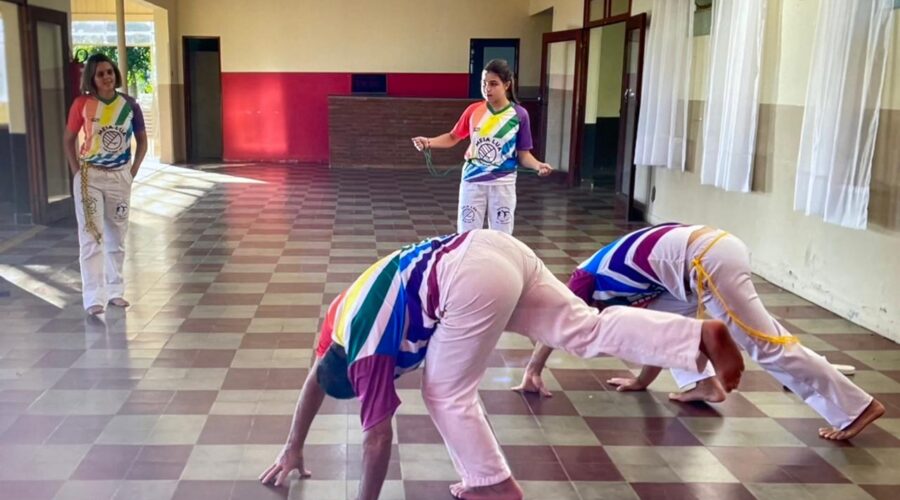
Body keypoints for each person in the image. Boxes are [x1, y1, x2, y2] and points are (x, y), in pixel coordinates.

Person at [261, 229, 745, 499]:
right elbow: (315, 378)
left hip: (468, 279)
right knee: (584, 328)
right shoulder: (337, 326)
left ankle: (490, 484)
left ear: (355, 372)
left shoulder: (365, 355)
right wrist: (292, 446)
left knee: (444, 392)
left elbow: (377, 438)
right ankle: (695, 336)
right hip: (498, 249)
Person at [513, 223, 885, 441]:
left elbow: (556, 328)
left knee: (764, 345)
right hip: (694, 266)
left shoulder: (581, 281)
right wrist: (642, 382)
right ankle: (702, 384)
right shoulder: (612, 284)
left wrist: (533, 369)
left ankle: (855, 407)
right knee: (669, 326)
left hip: (705, 260)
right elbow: (655, 335)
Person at [412, 59, 553, 235]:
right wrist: (428, 142)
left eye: (493, 84)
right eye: (484, 83)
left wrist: (538, 165)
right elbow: (453, 137)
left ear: (507, 85)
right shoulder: (473, 110)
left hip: (503, 183)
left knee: (502, 236)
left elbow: (524, 154)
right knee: (468, 234)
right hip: (472, 180)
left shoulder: (519, 115)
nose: (487, 88)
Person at [63, 53, 147, 316]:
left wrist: (131, 173)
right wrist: (77, 173)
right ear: (92, 78)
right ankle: (93, 297)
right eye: (100, 74)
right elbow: (68, 139)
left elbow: (142, 141)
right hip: (90, 177)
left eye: (109, 72)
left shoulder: (130, 105)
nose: (107, 77)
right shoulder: (82, 104)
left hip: (119, 177)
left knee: (116, 236)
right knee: (91, 237)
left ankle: (115, 291)